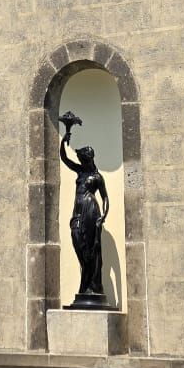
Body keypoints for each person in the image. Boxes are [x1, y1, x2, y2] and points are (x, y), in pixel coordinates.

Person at [58, 114, 110, 306]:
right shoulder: (80, 171)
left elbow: (105, 197)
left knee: (91, 250)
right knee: (79, 244)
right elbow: (64, 158)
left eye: (82, 158)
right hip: (77, 213)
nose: (80, 160)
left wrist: (103, 216)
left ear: (89, 159)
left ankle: (90, 287)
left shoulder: (97, 177)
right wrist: (64, 140)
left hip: (91, 212)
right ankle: (86, 284)